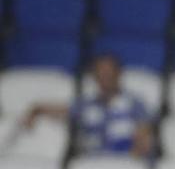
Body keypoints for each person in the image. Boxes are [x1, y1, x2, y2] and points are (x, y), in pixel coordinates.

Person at [23, 54, 153, 158]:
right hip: (90, 163)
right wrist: (36, 110)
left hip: (123, 162)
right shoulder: (84, 104)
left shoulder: (135, 103)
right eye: (100, 72)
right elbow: (61, 110)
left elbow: (143, 135)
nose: (104, 76)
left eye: (109, 72)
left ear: (118, 73)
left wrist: (130, 163)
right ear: (94, 76)